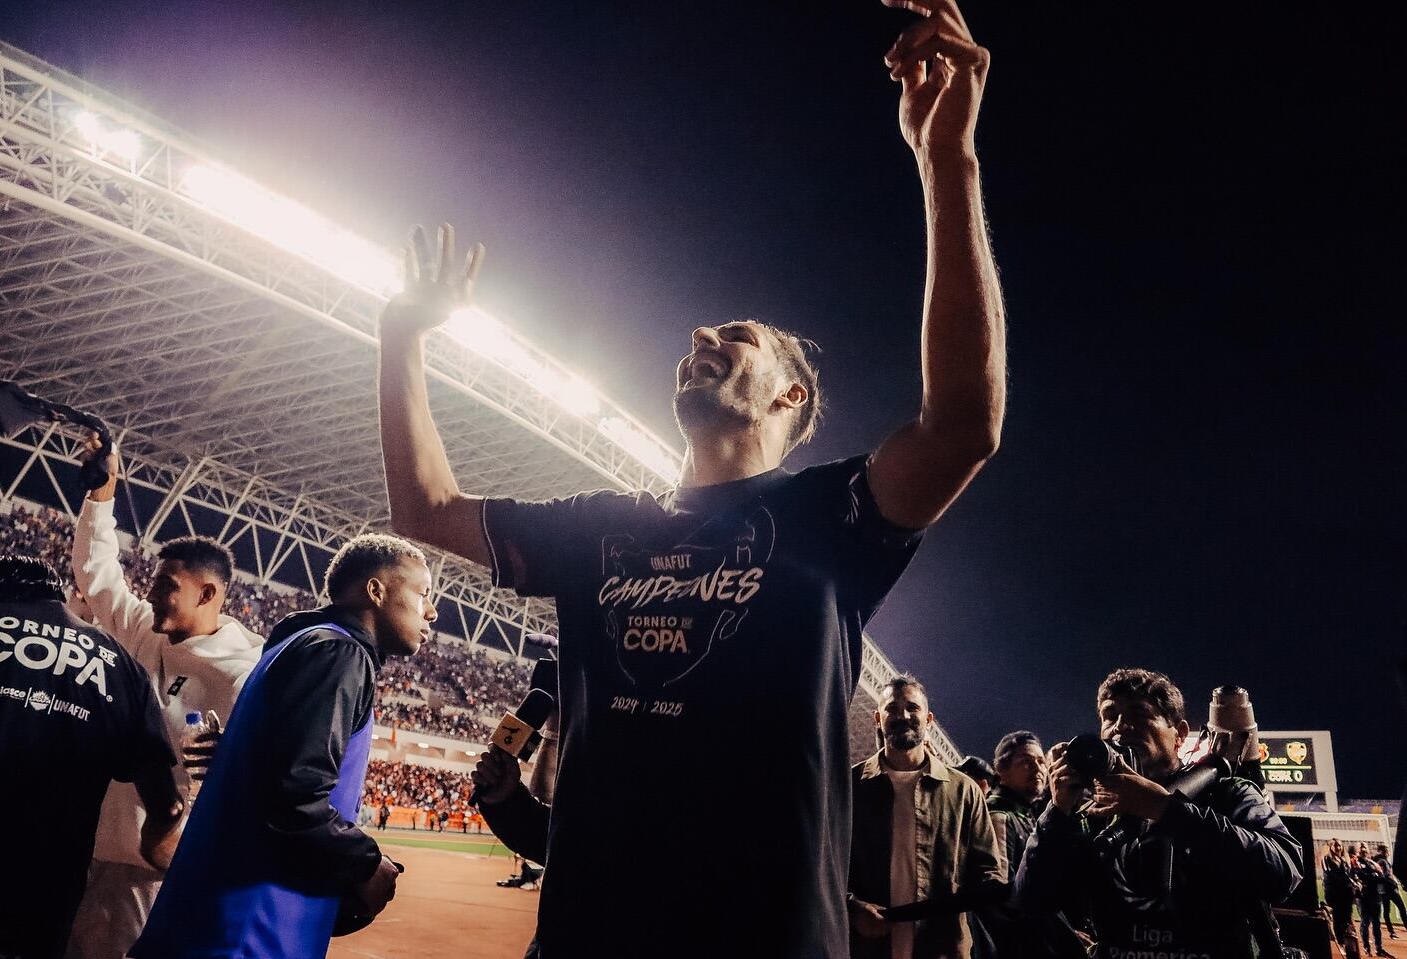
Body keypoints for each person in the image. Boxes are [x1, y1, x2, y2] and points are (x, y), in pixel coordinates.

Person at [377, 0, 1005, 951]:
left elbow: (963, 423)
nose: (702, 336)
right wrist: (401, 339)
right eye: (702, 331)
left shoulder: (829, 515)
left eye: (738, 336)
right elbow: (424, 507)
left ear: (791, 398)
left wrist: (943, 158)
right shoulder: (597, 525)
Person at [131, 534, 434, 959]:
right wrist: (366, 862)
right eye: (423, 593)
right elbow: (295, 794)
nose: (432, 611)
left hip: (217, 915)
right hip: (251, 925)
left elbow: (276, 774)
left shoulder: (300, 643)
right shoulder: (339, 653)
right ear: (376, 591)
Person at [68, 441, 263, 959]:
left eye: (166, 585)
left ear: (208, 594)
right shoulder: (143, 630)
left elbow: (269, 767)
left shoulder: (244, 670)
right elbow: (95, 570)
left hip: (153, 871)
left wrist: (242, 755)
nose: (150, 593)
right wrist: (103, 494)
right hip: (91, 848)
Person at [0, 556, 182, 959]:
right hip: (45, 892)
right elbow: (166, 803)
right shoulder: (120, 664)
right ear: (59, 596)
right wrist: (154, 848)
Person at [1018, 668, 1303, 958]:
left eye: (1139, 714)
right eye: (1109, 716)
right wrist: (1057, 810)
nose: (1121, 726)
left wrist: (1165, 809)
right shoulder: (1094, 811)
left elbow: (1284, 871)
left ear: (1179, 734)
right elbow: (1033, 901)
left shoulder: (1226, 793)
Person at [847, 676, 1007, 959]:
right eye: (892, 709)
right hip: (866, 949)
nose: (903, 715)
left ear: (929, 719)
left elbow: (986, 871)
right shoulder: (850, 786)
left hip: (941, 949)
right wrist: (852, 908)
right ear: (877, 718)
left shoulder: (962, 790)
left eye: (912, 708)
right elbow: (827, 867)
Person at [976, 731, 1085, 959]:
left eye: (1040, 762)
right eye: (1025, 762)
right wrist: (1061, 933)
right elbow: (1002, 898)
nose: (1037, 769)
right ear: (1001, 770)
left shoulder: (1026, 815)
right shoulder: (1000, 816)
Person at [1353, 843, 1388, 957]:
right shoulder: (1356, 863)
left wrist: (1375, 875)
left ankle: (1379, 948)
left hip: (1375, 896)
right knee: (1365, 923)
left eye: (1365, 849)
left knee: (1377, 923)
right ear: (1358, 851)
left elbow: (1382, 877)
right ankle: (1366, 948)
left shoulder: (1372, 863)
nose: (1364, 851)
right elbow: (1362, 876)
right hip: (1363, 897)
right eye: (1361, 850)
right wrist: (1375, 875)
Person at [1321, 838, 1356, 946]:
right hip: (1334, 892)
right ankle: (1340, 941)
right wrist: (1349, 881)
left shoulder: (1344, 860)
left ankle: (1346, 938)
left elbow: (1349, 874)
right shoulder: (1326, 859)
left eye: (1340, 845)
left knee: (1347, 915)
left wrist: (1355, 882)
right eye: (1335, 845)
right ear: (1331, 847)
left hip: (1346, 892)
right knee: (1337, 916)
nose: (1338, 848)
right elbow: (1331, 875)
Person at [1377, 843, 1405, 939]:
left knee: (1389, 910)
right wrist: (1392, 882)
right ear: (1381, 851)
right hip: (1387, 889)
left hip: (1386, 889)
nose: (1388, 853)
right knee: (1398, 908)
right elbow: (1383, 876)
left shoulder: (1383, 861)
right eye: (1386, 851)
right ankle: (1392, 931)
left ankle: (1392, 931)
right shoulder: (1381, 861)